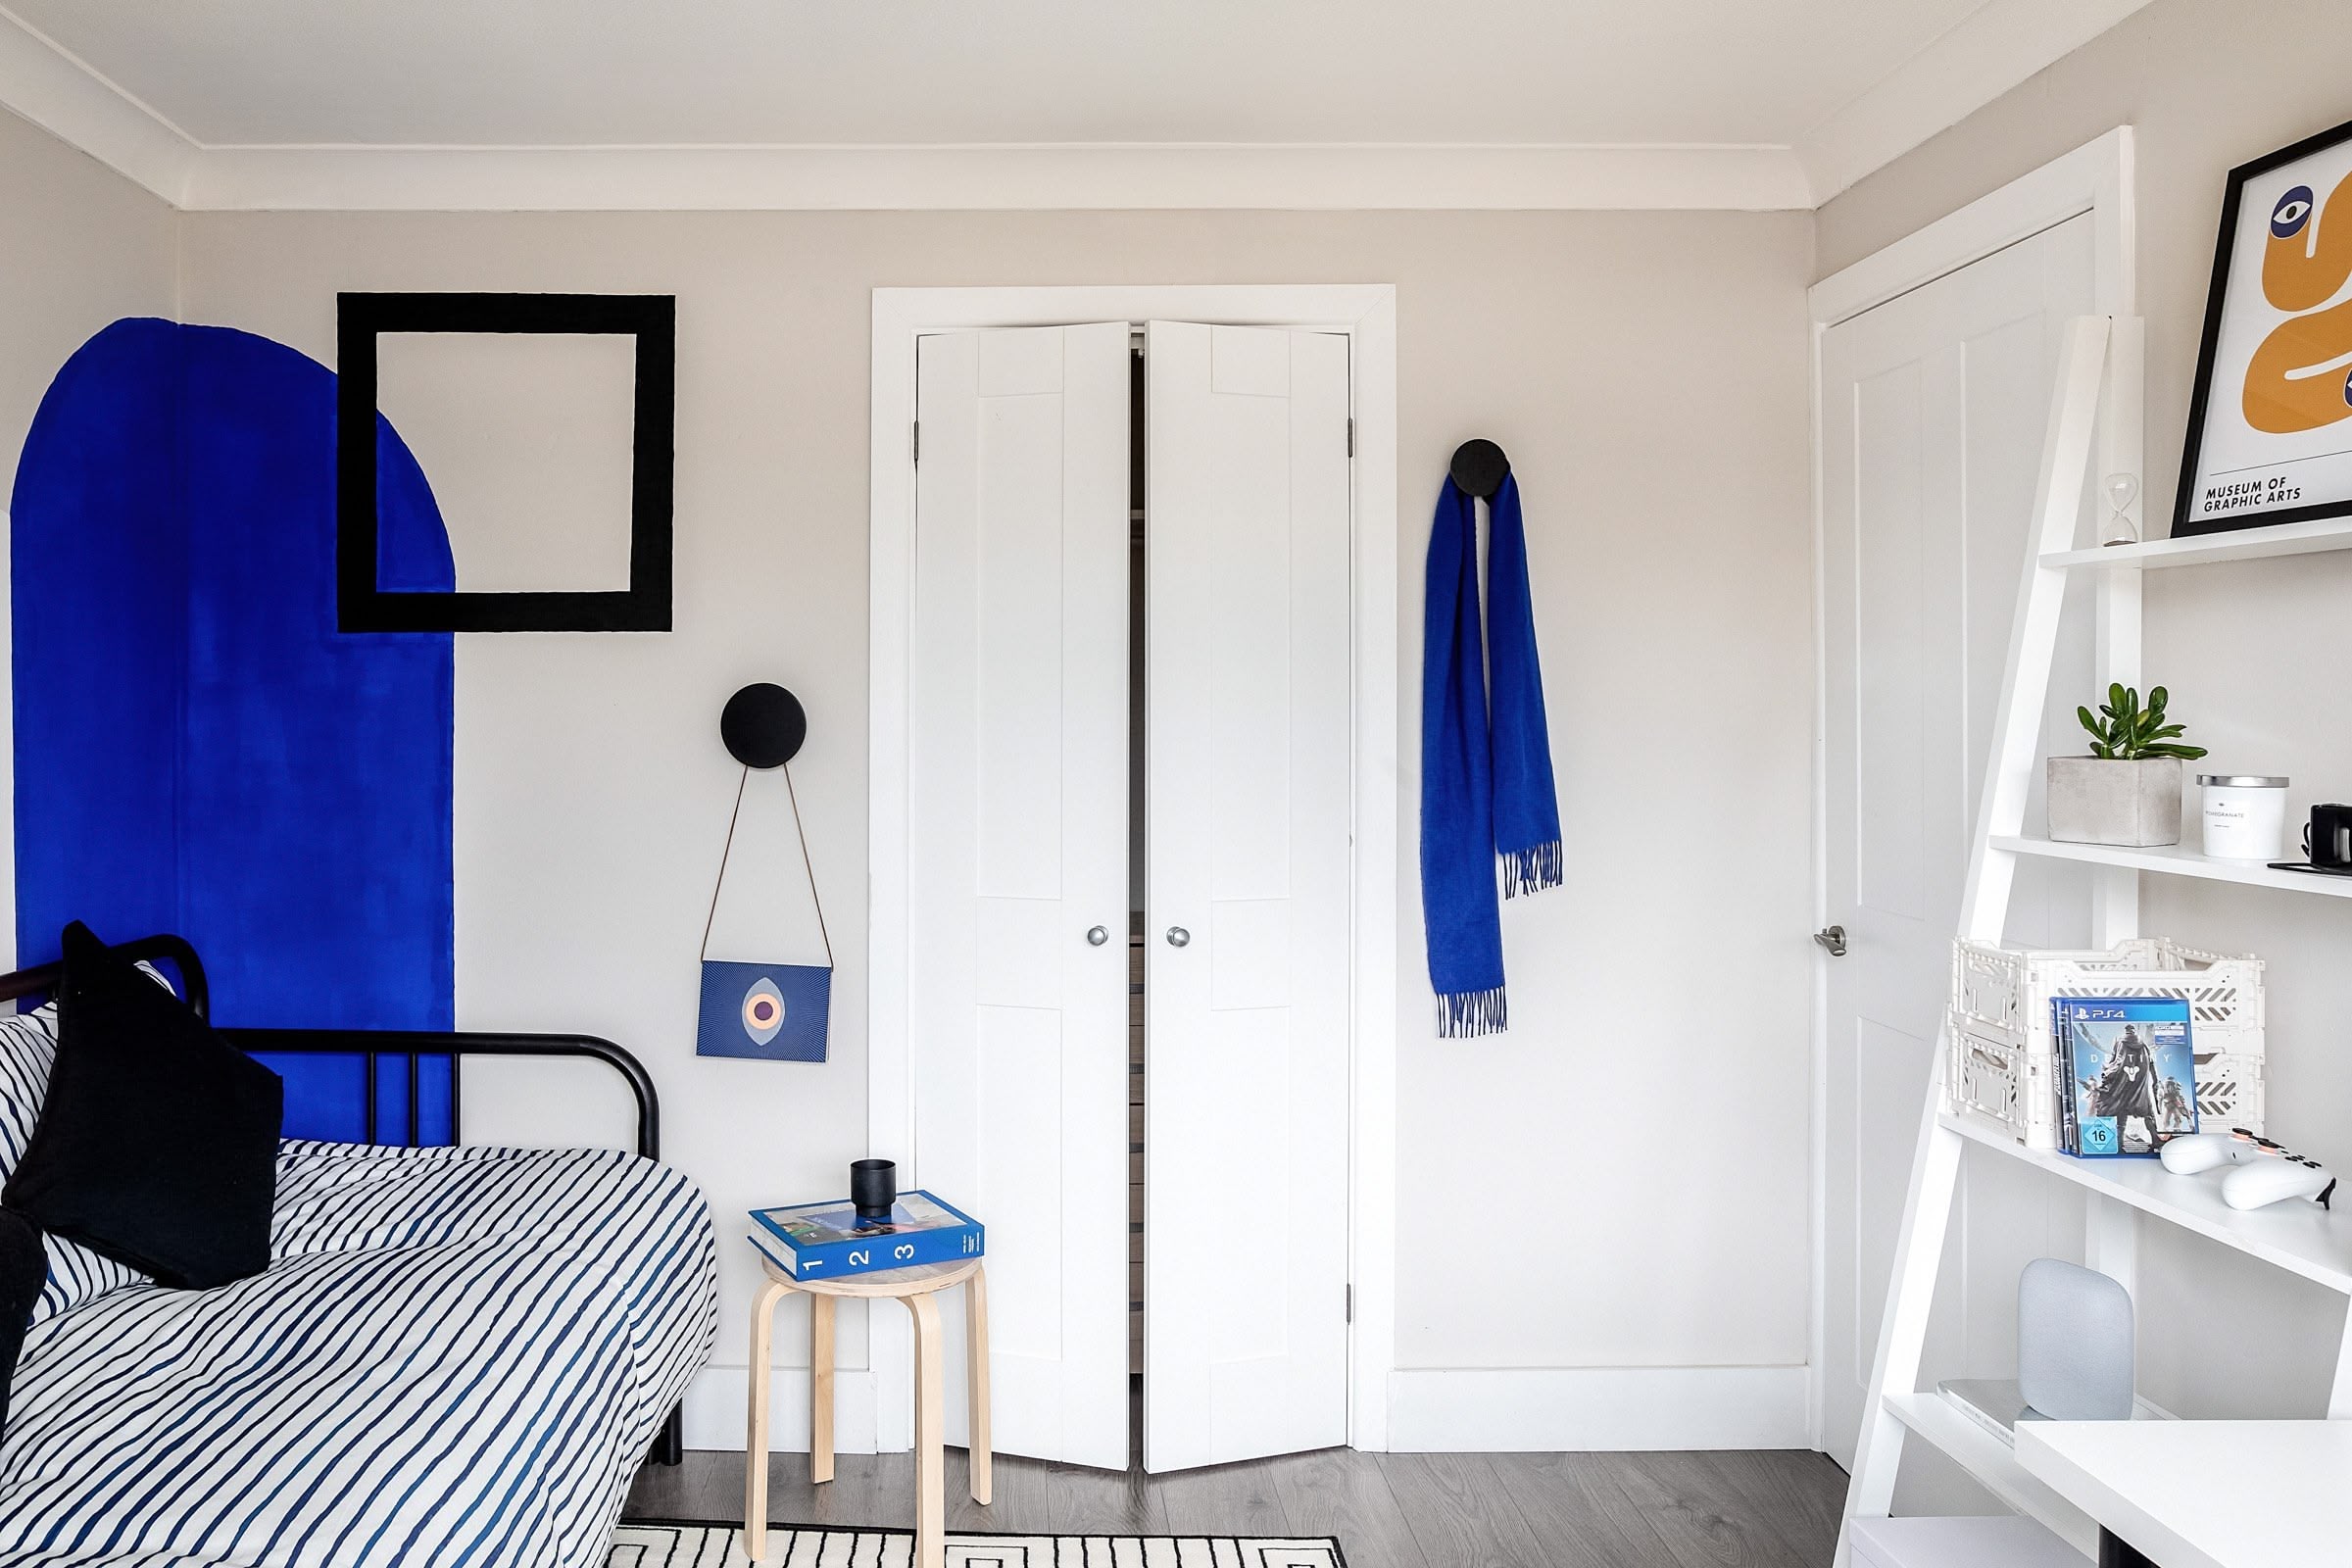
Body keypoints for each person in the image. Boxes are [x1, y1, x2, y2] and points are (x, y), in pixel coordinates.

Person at [2089, 1024, 2162, 1151]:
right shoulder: (2144, 1045)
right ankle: (2155, 1139)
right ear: (2133, 1031)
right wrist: (2155, 1080)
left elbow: (2117, 1062)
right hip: (2140, 1087)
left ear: (2126, 1031)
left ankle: (2119, 1144)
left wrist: (2107, 1074)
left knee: (2121, 1113)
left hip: (2123, 1087)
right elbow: (2151, 1064)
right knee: (2147, 1113)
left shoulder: (2121, 1043)